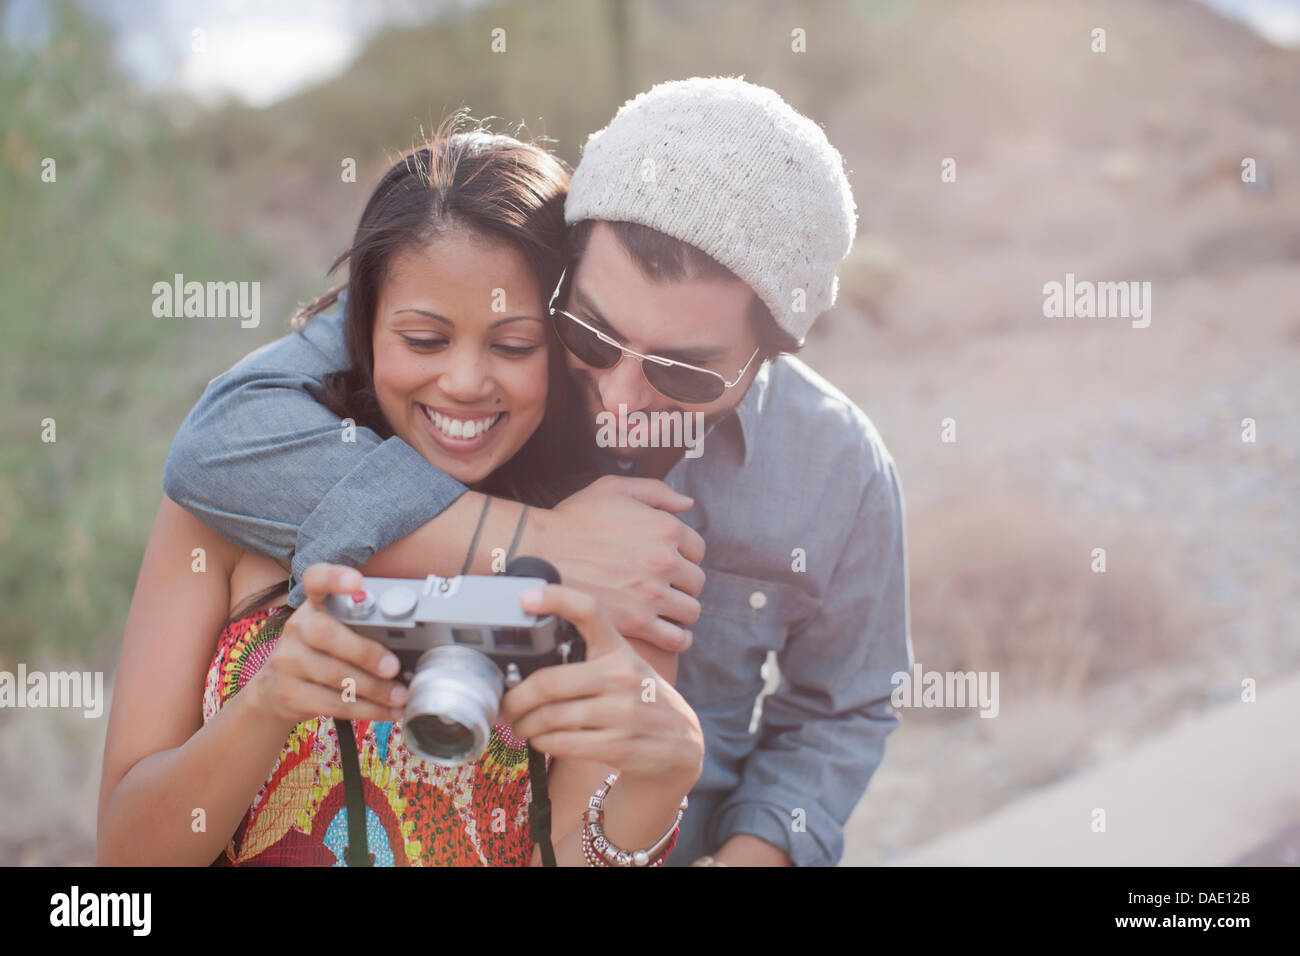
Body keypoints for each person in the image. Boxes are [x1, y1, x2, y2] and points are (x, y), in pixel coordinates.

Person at [163, 77, 912, 867]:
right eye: (590, 336)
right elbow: (223, 440)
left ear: (774, 351)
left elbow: (843, 708)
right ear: (566, 263)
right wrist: (540, 539)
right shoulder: (496, 323)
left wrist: (758, 853)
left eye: (684, 375)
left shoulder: (841, 471)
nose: (620, 404)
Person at [96, 118, 704, 867]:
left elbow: (576, 854)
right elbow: (124, 865)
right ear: (364, 328)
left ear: (564, 342)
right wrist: (269, 700)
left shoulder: (610, 555)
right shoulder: (230, 509)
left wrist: (663, 776)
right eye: (423, 339)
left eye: (514, 345)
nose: (465, 383)